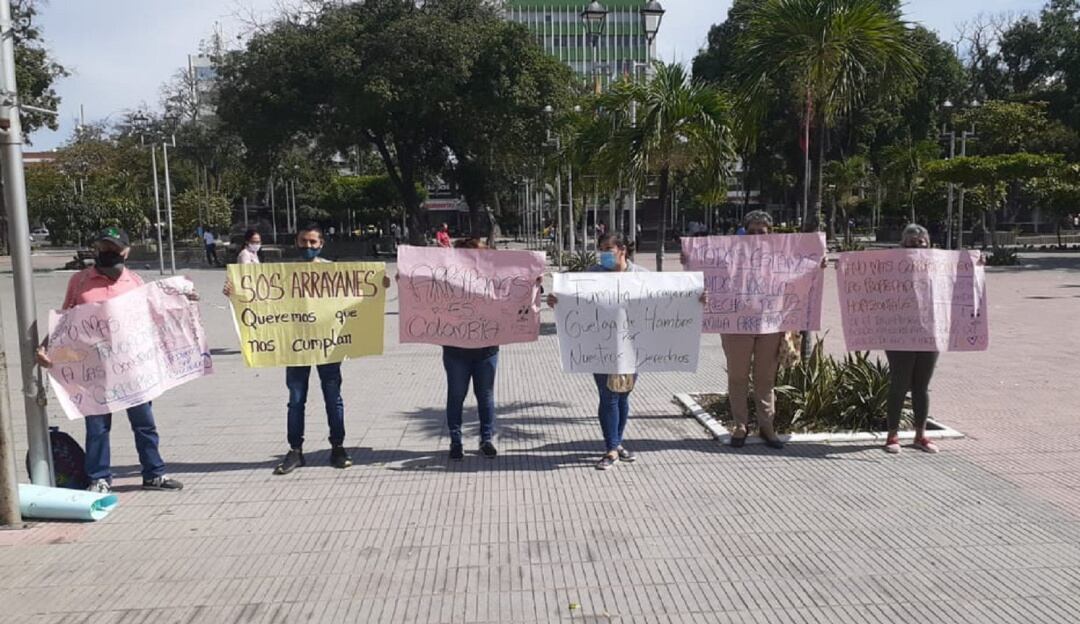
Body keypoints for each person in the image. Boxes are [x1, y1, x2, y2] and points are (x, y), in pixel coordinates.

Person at [36, 227, 195, 493]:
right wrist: (45, 346)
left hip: (132, 368)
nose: (108, 253)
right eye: (104, 247)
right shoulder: (80, 281)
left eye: (114, 248)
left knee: (144, 423)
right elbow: (65, 320)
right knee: (97, 427)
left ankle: (154, 473)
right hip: (94, 370)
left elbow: (155, 314)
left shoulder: (135, 281)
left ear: (126, 251)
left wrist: (184, 300)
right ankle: (99, 478)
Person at [547, 232, 651, 470]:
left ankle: (616, 442)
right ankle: (611, 448)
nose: (603, 254)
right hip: (600, 346)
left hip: (632, 347)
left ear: (622, 250)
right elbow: (572, 298)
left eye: (608, 249)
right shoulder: (592, 275)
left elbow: (665, 300)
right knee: (609, 395)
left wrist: (695, 299)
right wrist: (557, 300)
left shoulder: (642, 276)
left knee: (623, 394)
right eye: (600, 249)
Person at [716, 211, 785, 449]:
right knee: (738, 376)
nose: (757, 236)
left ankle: (767, 425)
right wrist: (689, 259)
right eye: (752, 231)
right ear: (744, 232)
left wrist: (818, 264)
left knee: (765, 378)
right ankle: (740, 425)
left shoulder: (782, 256)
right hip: (737, 325)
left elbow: (802, 275)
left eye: (762, 232)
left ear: (770, 233)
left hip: (770, 325)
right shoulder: (728, 255)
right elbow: (710, 275)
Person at [883, 224, 947, 455]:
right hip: (899, 332)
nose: (917, 245)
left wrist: (977, 266)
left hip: (930, 332)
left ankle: (920, 434)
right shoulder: (889, 266)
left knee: (921, 386)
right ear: (902, 245)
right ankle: (892, 434)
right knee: (899, 384)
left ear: (928, 244)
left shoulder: (939, 265)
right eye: (911, 242)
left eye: (921, 242)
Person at [440, 238, 502, 460]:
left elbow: (517, 291)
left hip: (486, 350)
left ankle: (486, 439)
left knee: (485, 396)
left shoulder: (493, 277)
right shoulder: (446, 278)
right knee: (456, 395)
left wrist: (535, 282)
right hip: (456, 350)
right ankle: (455, 441)